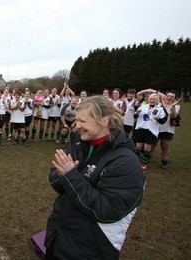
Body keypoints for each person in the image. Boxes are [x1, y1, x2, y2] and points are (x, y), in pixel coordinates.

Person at [46, 96, 145, 259]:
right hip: (61, 233)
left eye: (82, 121)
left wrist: (70, 175)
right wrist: (60, 173)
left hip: (91, 247)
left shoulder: (125, 161)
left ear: (104, 121)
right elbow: (57, 183)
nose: (77, 126)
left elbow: (107, 210)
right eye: (76, 120)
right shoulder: (80, 143)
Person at [134, 93, 167, 170]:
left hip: (151, 130)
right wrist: (137, 112)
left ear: (157, 100)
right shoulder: (143, 106)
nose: (152, 100)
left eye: (154, 99)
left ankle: (144, 162)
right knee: (138, 147)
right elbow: (135, 116)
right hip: (141, 128)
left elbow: (163, 121)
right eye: (151, 99)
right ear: (148, 100)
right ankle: (135, 161)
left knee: (146, 149)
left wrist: (158, 119)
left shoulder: (160, 109)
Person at [152, 90, 181, 169]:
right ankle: (147, 158)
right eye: (168, 96)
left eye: (172, 97)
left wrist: (173, 106)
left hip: (168, 129)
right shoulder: (159, 104)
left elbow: (173, 117)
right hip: (156, 128)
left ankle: (164, 161)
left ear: (174, 99)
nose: (169, 98)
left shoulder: (177, 106)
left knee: (164, 146)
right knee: (153, 144)